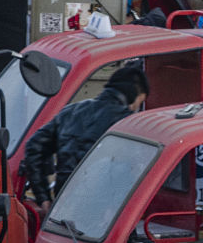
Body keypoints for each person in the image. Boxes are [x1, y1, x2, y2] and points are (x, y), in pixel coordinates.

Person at [24, 65, 149, 215]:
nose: (137, 107)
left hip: (64, 204)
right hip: (104, 214)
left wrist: (42, 197)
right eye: (140, 101)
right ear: (135, 94)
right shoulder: (127, 122)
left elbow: (34, 146)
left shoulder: (69, 112)